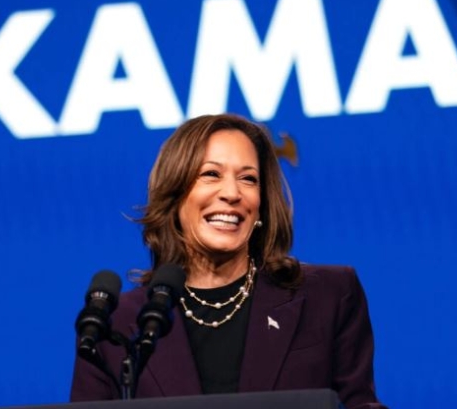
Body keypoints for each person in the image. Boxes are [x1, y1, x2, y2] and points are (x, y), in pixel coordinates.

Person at [70, 114, 387, 409]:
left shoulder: (328, 295)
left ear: (261, 205)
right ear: (175, 195)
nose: (232, 193)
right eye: (211, 174)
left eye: (248, 179)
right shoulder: (117, 324)